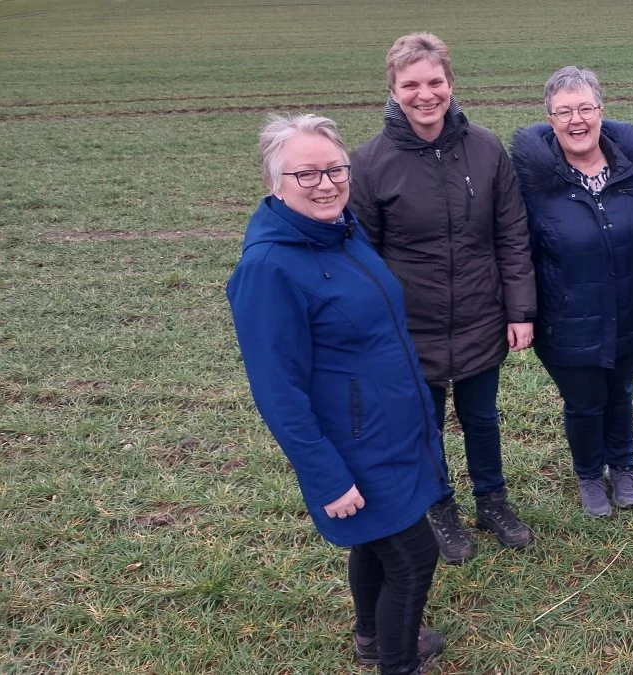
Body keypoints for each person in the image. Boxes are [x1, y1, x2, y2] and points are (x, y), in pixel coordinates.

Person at [227, 114, 447, 674]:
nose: (326, 184)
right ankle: (398, 665)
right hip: (353, 449)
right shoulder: (268, 269)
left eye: (335, 169)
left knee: (375, 545)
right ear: (275, 183)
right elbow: (278, 391)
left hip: (392, 428)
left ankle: (373, 638)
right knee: (414, 558)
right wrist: (326, 474)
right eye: (307, 175)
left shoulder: (345, 232)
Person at [349, 33, 537, 563]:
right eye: (411, 85)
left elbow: (512, 233)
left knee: (482, 417)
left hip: (481, 312)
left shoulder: (485, 148)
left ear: (451, 84)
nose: (424, 94)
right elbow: (361, 257)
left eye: (435, 82)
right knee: (423, 425)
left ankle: (492, 500)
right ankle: (439, 508)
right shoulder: (369, 163)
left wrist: (520, 309)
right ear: (393, 89)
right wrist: (377, 325)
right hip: (409, 325)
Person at [509, 66, 633, 518]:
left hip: (627, 311)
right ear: (550, 118)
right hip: (565, 317)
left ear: (601, 111)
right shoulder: (533, 184)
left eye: (584, 108)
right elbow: (517, 251)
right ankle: (588, 474)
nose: (576, 120)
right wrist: (523, 311)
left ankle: (623, 467)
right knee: (584, 401)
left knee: (620, 391)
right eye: (564, 111)